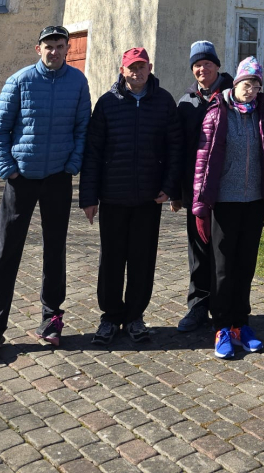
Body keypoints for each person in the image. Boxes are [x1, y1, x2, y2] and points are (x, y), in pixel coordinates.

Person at [0, 25, 90, 361]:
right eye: (48, 46)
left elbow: (82, 127)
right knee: (6, 251)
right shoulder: (20, 81)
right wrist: (7, 169)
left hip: (57, 177)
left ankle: (51, 319)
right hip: (21, 178)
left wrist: (72, 164)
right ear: (37, 49)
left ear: (67, 48)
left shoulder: (77, 82)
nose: (54, 52)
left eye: (59, 46)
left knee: (55, 250)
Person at [79, 47, 183, 346]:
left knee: (142, 260)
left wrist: (170, 185)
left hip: (149, 199)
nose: (136, 73)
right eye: (131, 68)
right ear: (121, 70)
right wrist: (89, 197)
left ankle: (135, 316)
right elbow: (93, 153)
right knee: (111, 260)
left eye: (141, 67)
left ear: (150, 68)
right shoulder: (107, 103)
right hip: (113, 197)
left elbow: (175, 147)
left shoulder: (163, 102)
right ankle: (110, 317)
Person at [191, 56, 264, 359]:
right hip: (225, 203)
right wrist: (200, 205)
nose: (251, 89)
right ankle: (222, 327)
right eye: (246, 83)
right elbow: (202, 162)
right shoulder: (217, 113)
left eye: (256, 85)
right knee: (223, 270)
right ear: (236, 83)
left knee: (245, 267)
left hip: (253, 202)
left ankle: (242, 323)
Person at [176, 41, 234, 332]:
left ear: (217, 66)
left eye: (207, 63)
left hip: (227, 191)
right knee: (198, 252)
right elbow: (179, 148)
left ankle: (223, 310)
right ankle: (198, 307)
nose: (202, 69)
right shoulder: (186, 102)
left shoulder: (233, 97)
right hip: (195, 191)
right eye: (197, 65)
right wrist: (177, 192)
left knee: (223, 253)